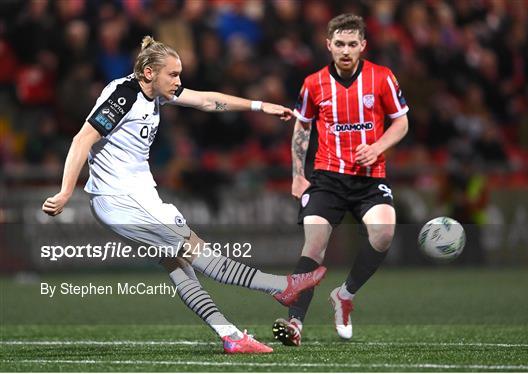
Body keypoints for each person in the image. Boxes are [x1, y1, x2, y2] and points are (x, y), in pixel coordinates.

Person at [42, 36, 326, 354]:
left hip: (136, 198)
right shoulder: (123, 97)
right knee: (199, 253)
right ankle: (280, 287)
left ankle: (231, 336)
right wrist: (66, 192)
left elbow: (206, 100)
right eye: (173, 75)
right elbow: (82, 140)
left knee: (179, 265)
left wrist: (258, 105)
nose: (179, 82)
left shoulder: (152, 93)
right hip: (122, 200)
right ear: (149, 73)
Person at [272, 14, 409, 346]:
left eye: (352, 44)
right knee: (315, 245)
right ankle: (295, 324)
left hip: (369, 177)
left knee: (384, 234)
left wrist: (376, 147)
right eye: (339, 44)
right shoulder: (313, 84)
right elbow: (302, 127)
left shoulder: (382, 78)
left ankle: (344, 295)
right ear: (328, 45)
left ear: (362, 45)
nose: (345, 50)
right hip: (328, 178)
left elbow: (401, 123)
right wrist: (297, 175)